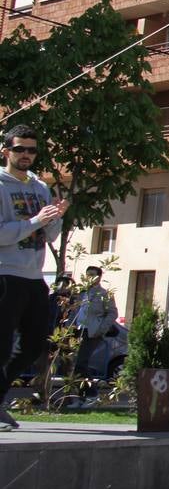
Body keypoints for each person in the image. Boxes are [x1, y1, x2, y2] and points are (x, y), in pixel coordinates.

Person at [0, 125, 68, 430]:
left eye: (31, 150)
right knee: (1, 346)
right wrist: (35, 220)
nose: (26, 155)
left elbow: (48, 234)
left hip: (33, 275)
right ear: (6, 152)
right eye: (20, 149)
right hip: (5, 273)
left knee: (34, 344)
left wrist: (56, 216)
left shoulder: (40, 188)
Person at [73, 266, 119, 378]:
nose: (89, 277)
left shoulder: (104, 294)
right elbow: (74, 311)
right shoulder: (81, 293)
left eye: (92, 275)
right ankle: (76, 391)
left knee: (81, 362)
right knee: (71, 363)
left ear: (99, 277)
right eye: (87, 274)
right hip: (77, 330)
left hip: (91, 332)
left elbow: (113, 313)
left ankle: (91, 391)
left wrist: (101, 329)